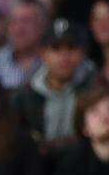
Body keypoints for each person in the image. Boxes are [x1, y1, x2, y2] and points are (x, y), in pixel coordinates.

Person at [12, 19, 95, 155]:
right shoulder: (24, 96)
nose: (64, 57)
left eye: (71, 48)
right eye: (56, 49)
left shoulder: (95, 90)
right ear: (43, 53)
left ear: (82, 53)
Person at [0, 0, 48, 91]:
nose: (18, 29)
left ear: (43, 25)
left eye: (26, 21)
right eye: (13, 22)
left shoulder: (56, 62)